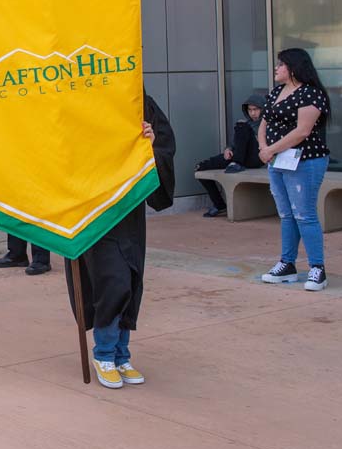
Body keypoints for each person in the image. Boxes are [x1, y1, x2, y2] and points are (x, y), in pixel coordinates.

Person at [67, 94, 176, 389]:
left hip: (128, 206)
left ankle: (120, 355)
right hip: (92, 206)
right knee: (110, 281)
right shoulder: (77, 97)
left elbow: (165, 144)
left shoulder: (135, 96)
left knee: (129, 278)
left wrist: (149, 144)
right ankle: (103, 353)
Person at [258, 48, 331, 292]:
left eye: (281, 64)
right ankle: (287, 264)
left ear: (294, 67)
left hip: (305, 161)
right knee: (286, 214)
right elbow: (264, 123)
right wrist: (263, 147)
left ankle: (317, 269)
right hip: (277, 161)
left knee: (304, 214)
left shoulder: (311, 94)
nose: (276, 68)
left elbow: (302, 131)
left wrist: (271, 150)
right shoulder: (276, 92)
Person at [195, 93, 266, 217]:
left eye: (256, 109)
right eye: (250, 110)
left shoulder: (268, 124)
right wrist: (228, 149)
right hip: (238, 156)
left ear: (263, 109)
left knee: (242, 126)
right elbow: (235, 143)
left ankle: (236, 162)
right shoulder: (246, 124)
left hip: (257, 158)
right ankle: (219, 205)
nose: (252, 113)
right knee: (200, 168)